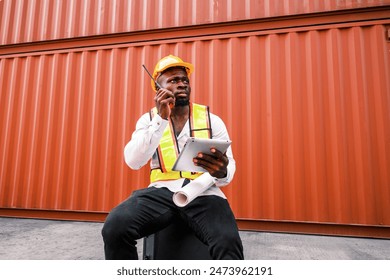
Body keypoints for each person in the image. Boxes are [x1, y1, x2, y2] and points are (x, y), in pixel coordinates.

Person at [101, 55, 244, 260]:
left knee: (227, 241)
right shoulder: (148, 120)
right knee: (115, 227)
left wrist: (222, 171)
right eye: (173, 80)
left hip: (203, 192)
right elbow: (133, 161)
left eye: (184, 80)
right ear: (159, 89)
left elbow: (228, 168)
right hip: (161, 193)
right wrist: (160, 118)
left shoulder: (212, 120)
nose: (182, 84)